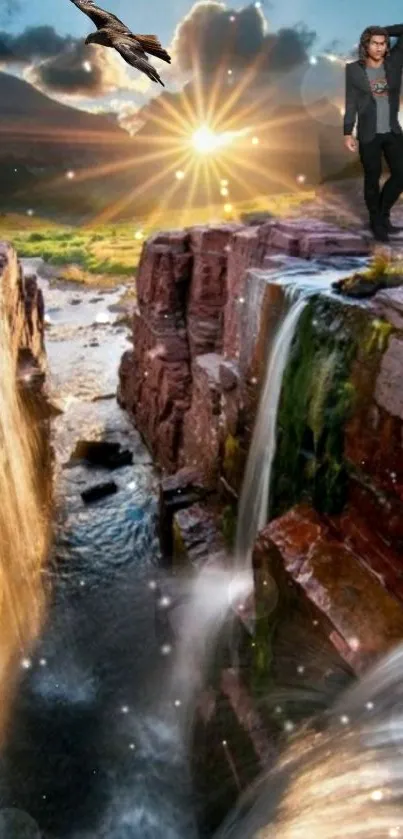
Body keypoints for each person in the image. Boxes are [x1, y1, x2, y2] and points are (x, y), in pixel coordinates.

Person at [343, 24, 403, 242]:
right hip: (369, 132)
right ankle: (376, 222)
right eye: (374, 43)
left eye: (383, 43)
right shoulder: (353, 70)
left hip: (392, 130)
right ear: (366, 45)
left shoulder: (395, 63)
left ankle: (384, 215)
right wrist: (347, 132)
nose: (379, 47)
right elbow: (350, 102)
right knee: (372, 178)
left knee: (401, 174)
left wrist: (384, 31)